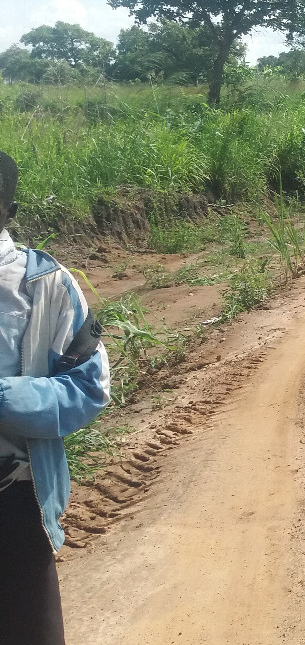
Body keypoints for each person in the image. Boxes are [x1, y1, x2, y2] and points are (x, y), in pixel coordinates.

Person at [0, 149, 110, 644]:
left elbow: (90, 385)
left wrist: (4, 397)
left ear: (9, 211)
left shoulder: (46, 284)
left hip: (15, 503)